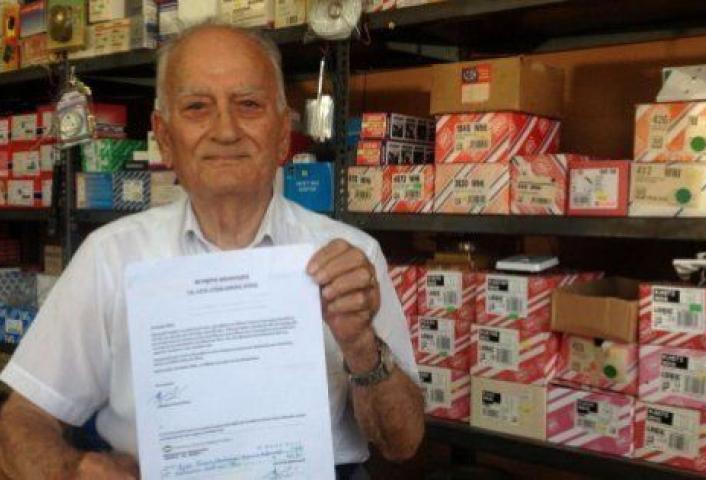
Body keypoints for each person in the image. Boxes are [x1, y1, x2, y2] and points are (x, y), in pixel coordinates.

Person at [0, 22, 424, 479]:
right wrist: (73, 469)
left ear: (283, 134)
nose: (226, 130)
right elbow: (20, 421)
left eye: (249, 105)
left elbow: (402, 443)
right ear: (164, 137)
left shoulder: (350, 258)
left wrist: (361, 344)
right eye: (197, 107)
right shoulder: (110, 257)